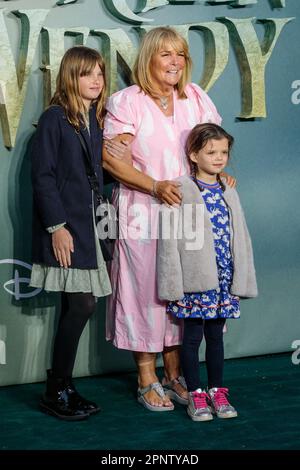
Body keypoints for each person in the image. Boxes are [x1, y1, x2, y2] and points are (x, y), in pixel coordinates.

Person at [102, 27, 234, 411]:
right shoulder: (127, 102)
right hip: (144, 212)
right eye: (165, 55)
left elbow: (213, 144)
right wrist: (155, 186)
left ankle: (176, 374)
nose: (175, 61)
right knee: (145, 293)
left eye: (179, 54)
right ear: (148, 60)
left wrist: (218, 174)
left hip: (191, 213)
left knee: (183, 291)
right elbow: (113, 158)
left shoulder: (195, 97)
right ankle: (147, 377)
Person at [30, 46, 127, 421]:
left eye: (100, 73)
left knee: (77, 305)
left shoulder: (91, 119)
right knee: (82, 304)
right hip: (67, 228)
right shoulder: (55, 118)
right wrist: (57, 227)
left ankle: (62, 387)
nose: (97, 80)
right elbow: (43, 177)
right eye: (88, 74)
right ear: (71, 77)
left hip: (89, 226)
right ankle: (56, 390)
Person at [157, 123, 258, 421]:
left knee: (216, 337)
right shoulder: (181, 189)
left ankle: (217, 391)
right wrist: (173, 282)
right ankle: (196, 395)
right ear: (193, 154)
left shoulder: (229, 189)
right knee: (192, 338)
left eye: (224, 152)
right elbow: (169, 239)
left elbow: (240, 234)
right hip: (195, 281)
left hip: (223, 279)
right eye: (211, 152)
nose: (218, 158)